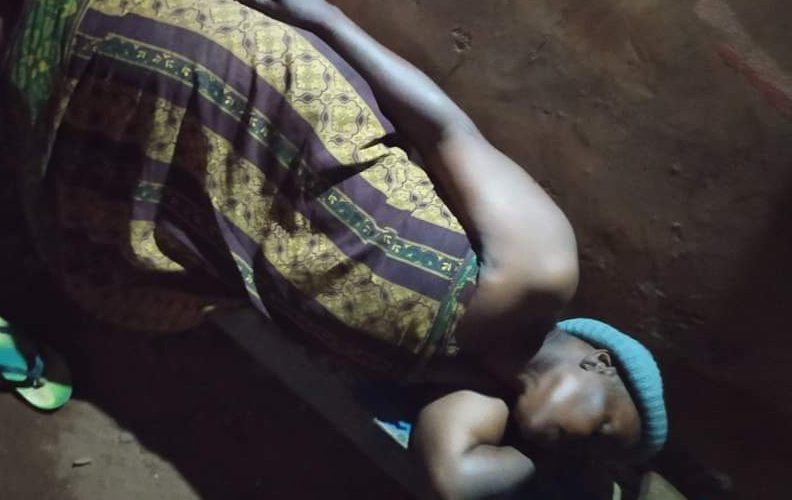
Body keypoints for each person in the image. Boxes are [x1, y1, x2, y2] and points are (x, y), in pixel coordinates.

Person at [1, 0, 667, 498]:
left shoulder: (471, 392)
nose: (585, 448)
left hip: (219, 208)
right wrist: (322, 17)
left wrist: (559, 468)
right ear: (601, 364)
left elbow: (454, 481)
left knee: (99, 228)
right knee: (120, 43)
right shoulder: (540, 271)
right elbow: (446, 129)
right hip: (259, 111)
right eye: (607, 429)